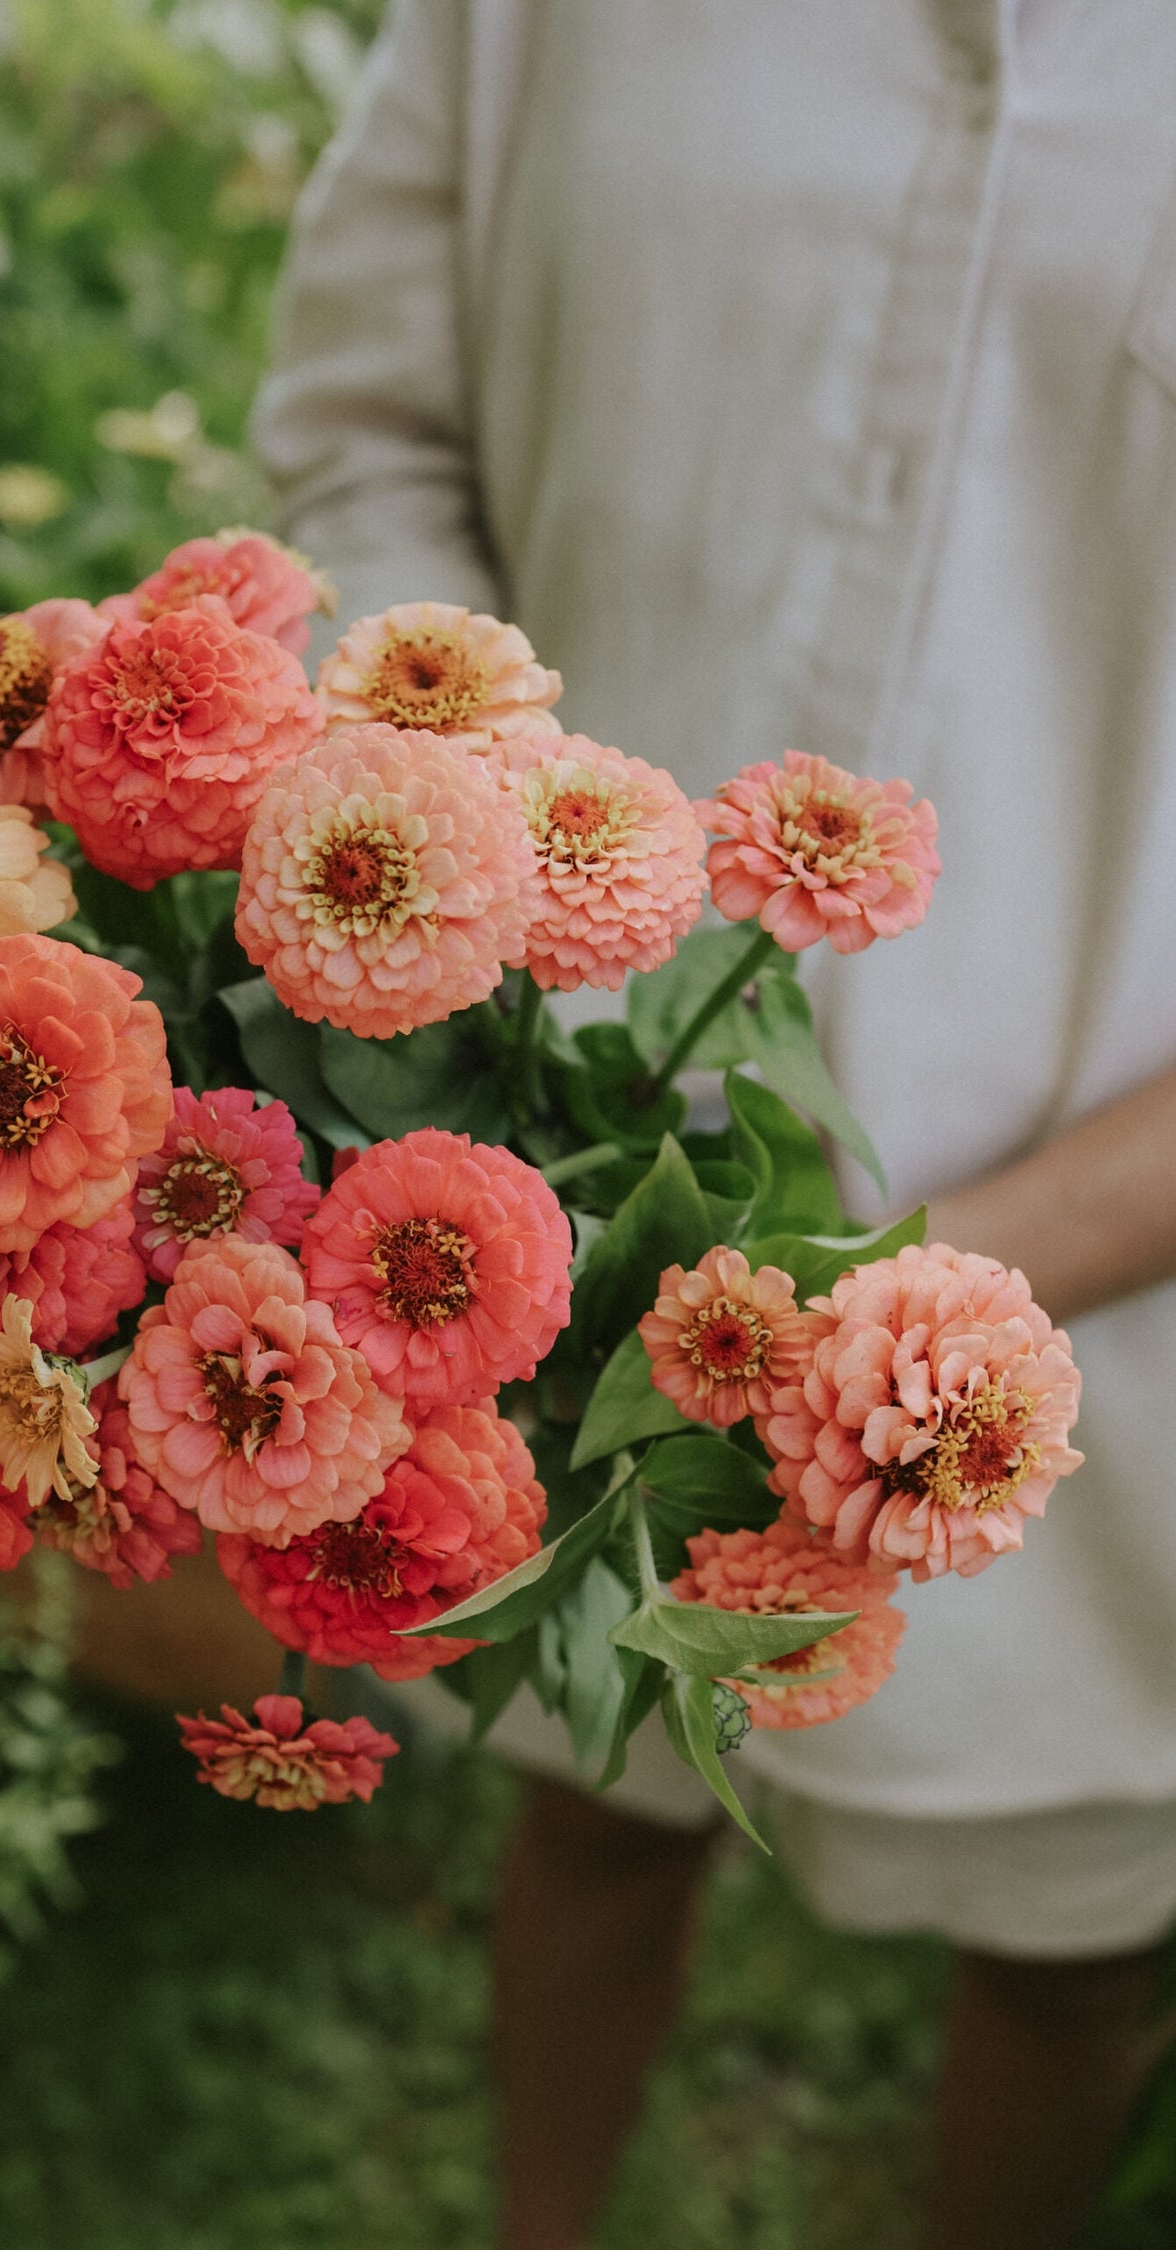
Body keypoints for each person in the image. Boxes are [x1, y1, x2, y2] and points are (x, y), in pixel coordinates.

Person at [251, 5, 1176, 2245]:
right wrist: (466, 890)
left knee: (1074, 1954)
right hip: (559, 1178)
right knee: (589, 1800)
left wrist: (938, 1280)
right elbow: (365, 430)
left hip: (1122, 1320)